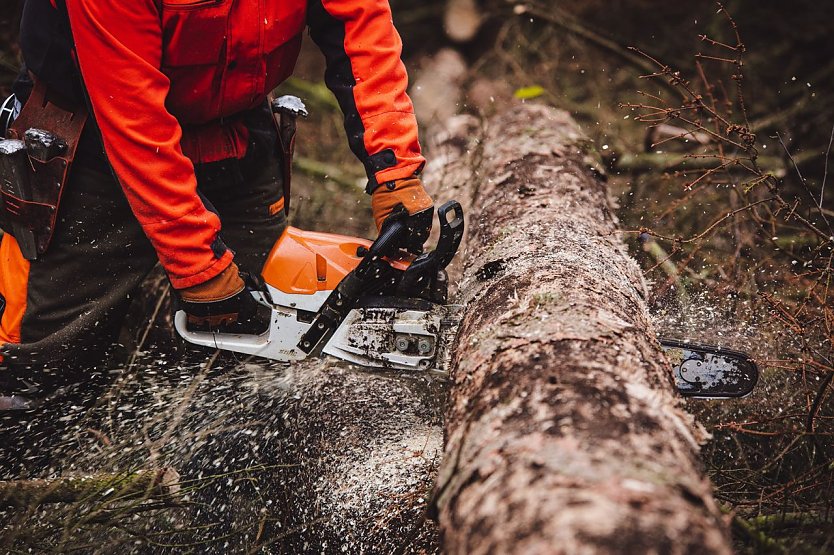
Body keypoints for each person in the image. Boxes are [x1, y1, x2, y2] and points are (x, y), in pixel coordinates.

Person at [0, 0, 434, 409]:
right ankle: (35, 471)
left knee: (270, 331)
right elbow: (134, 121)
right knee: (41, 359)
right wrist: (197, 267)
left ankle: (229, 466)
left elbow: (360, 25)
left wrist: (394, 169)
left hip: (234, 128)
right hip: (93, 136)